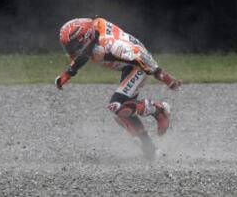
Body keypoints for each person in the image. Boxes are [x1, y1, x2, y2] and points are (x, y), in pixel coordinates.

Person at [55, 17, 182, 159]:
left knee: (118, 106)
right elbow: (85, 53)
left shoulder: (111, 46)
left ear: (85, 38)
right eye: (67, 46)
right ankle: (150, 150)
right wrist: (67, 74)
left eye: (72, 46)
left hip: (137, 66)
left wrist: (168, 80)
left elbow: (143, 58)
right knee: (122, 112)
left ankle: (158, 110)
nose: (70, 50)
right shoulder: (92, 37)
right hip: (128, 66)